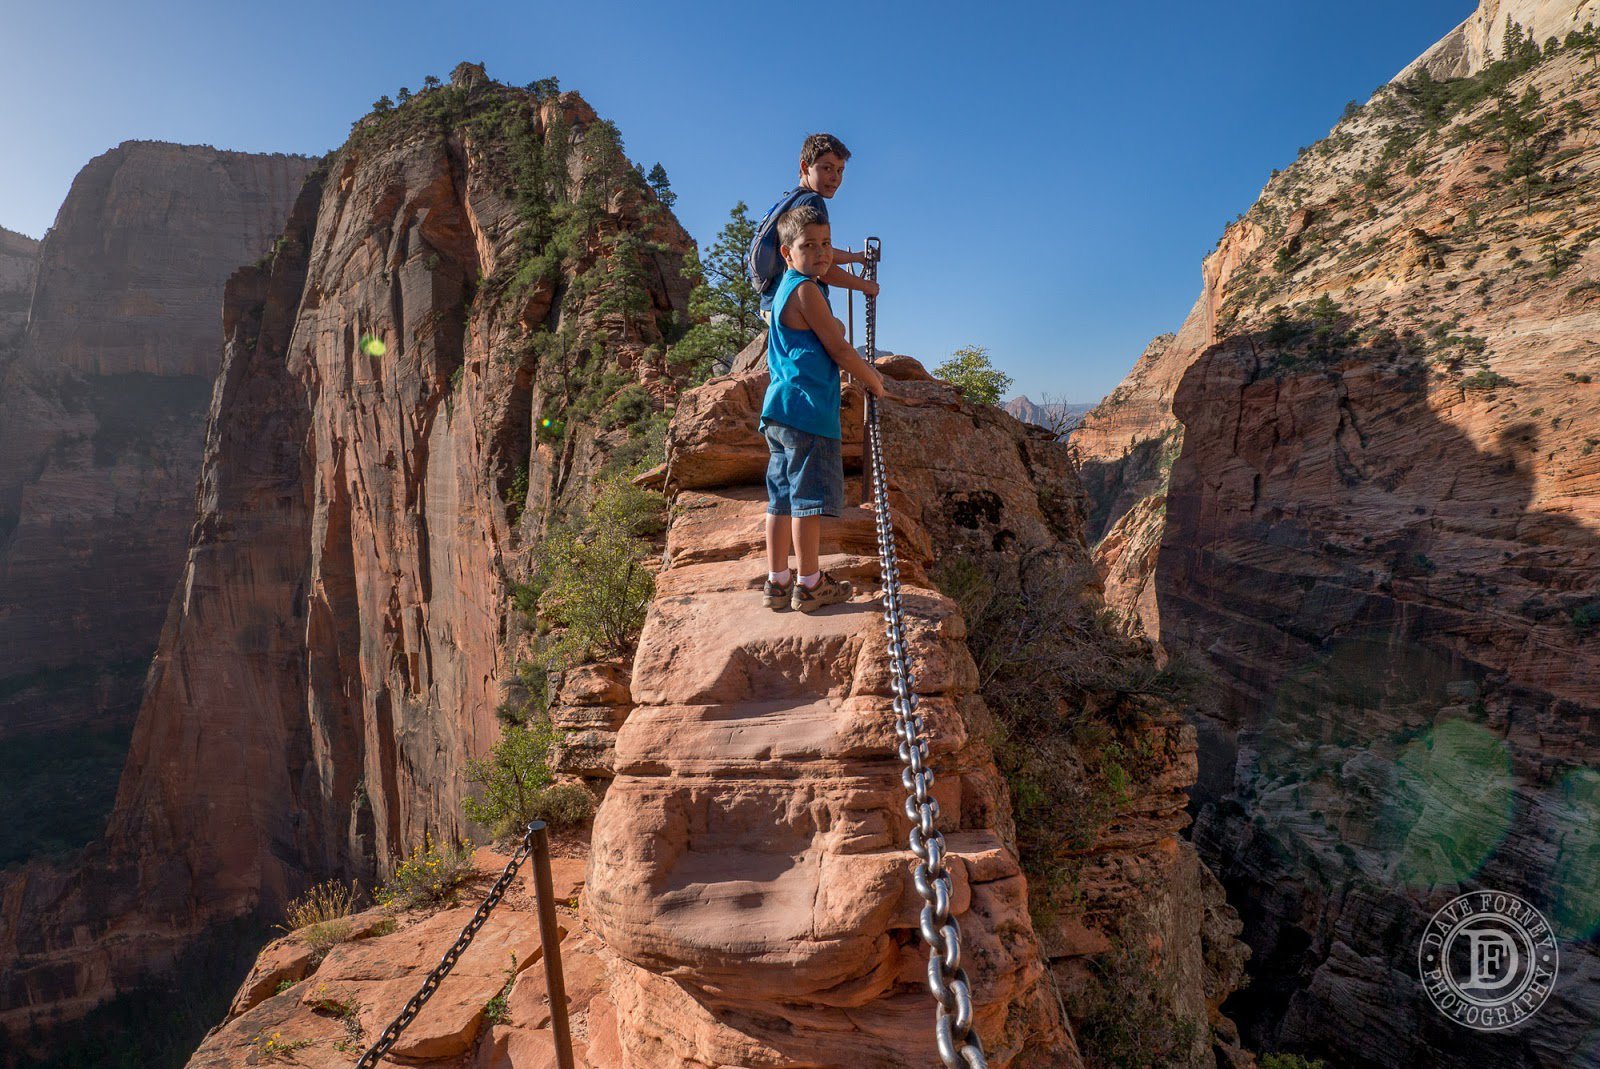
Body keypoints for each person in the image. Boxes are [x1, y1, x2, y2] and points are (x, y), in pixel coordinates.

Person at [760, 204, 886, 612]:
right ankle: (810, 585)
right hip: (808, 410)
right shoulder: (806, 289)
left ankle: (777, 582)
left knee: (779, 500)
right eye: (809, 245)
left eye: (826, 243)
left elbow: (818, 335)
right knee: (806, 501)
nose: (821, 253)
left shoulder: (784, 290)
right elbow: (838, 346)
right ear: (787, 253)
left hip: (779, 409)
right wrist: (872, 379)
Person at [755, 134, 879, 326]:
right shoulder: (812, 202)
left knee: (838, 329)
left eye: (840, 170)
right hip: (798, 303)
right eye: (827, 168)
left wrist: (855, 257)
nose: (835, 178)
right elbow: (822, 269)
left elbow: (816, 250)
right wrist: (865, 286)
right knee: (837, 334)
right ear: (805, 167)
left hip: (771, 303)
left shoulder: (790, 201)